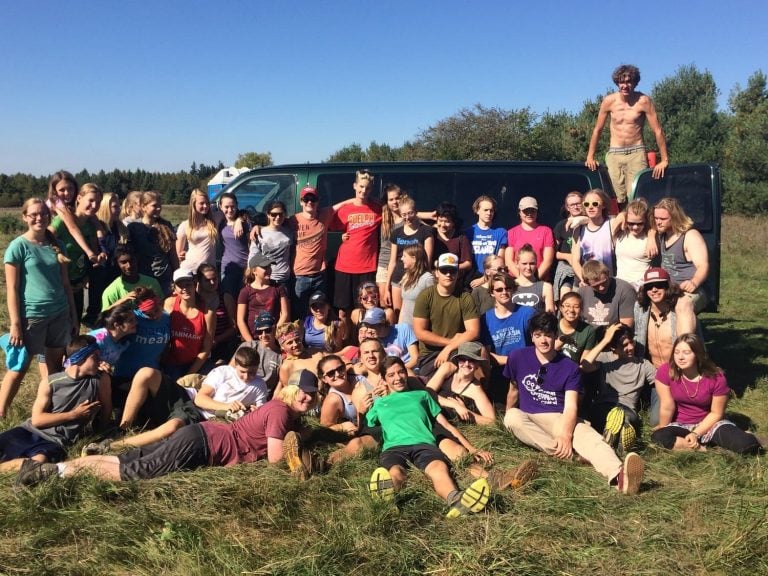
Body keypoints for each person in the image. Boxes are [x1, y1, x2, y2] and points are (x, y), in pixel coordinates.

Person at [17, 382, 317, 486]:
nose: (308, 399)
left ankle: (45, 471)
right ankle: (47, 474)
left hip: (201, 435)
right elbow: (277, 459)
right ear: (291, 390)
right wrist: (303, 448)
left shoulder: (282, 410)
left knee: (123, 463)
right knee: (135, 473)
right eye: (303, 393)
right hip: (204, 445)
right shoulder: (280, 412)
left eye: (312, 395)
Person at [503, 312, 645, 494]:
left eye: (547, 335)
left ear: (555, 335)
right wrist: (506, 416)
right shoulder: (517, 357)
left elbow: (571, 406)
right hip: (529, 415)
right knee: (512, 418)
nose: (543, 341)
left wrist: (565, 435)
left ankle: (620, 476)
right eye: (538, 335)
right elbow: (513, 390)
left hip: (560, 417)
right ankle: (571, 455)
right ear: (531, 337)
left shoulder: (569, 367)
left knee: (591, 439)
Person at [366, 357, 493, 518]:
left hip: (424, 444)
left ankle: (457, 501)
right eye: (391, 375)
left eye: (400, 372)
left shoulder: (422, 395)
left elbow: (447, 425)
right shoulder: (379, 404)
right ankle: (386, 499)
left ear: (406, 373)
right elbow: (366, 426)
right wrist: (362, 408)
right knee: (396, 472)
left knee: (439, 468)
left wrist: (471, 448)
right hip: (394, 448)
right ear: (383, 379)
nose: (397, 378)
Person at [1, 198, 77, 419]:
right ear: (25, 217)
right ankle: (2, 412)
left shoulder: (57, 245)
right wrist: (16, 324)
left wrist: (73, 316)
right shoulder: (18, 247)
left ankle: (48, 409)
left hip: (59, 314)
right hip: (31, 317)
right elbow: (12, 290)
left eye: (43, 213)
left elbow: (66, 284)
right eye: (33, 214)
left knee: (54, 367)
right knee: (19, 367)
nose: (39, 218)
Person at [0, 335, 111, 473]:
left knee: (36, 464)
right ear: (80, 358)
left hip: (56, 441)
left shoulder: (99, 379)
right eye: (95, 357)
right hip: (27, 431)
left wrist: (101, 433)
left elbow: (107, 409)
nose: (100, 361)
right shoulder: (51, 382)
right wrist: (74, 415)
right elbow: (37, 420)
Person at [651, 334, 761, 454]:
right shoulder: (665, 371)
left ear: (698, 355)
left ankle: (736, 437)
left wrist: (695, 433)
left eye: (686, 352)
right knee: (659, 437)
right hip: (681, 424)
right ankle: (704, 449)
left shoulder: (716, 377)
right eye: (676, 352)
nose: (680, 357)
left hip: (710, 424)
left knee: (746, 445)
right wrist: (663, 428)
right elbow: (667, 405)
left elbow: (716, 413)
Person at [586, 63, 669, 205]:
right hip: (615, 153)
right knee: (615, 198)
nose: (625, 85)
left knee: (636, 197)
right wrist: (590, 156)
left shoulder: (644, 101)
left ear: (635, 82)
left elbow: (658, 130)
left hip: (636, 152)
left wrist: (664, 159)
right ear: (617, 83)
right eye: (621, 82)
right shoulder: (609, 101)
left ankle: (637, 225)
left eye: (628, 82)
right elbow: (597, 129)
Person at [580, 323, 655, 454]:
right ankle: (618, 442)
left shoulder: (643, 365)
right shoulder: (605, 359)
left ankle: (614, 440)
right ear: (613, 347)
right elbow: (584, 366)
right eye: (624, 345)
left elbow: (661, 381)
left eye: (631, 342)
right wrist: (605, 340)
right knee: (606, 415)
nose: (631, 348)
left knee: (625, 418)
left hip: (627, 408)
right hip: (605, 405)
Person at [413, 253, 480, 378]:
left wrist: (449, 348)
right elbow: (420, 332)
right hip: (430, 353)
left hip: (458, 350)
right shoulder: (425, 296)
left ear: (458, 273)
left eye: (452, 270)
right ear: (437, 272)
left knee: (479, 357)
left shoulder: (465, 297)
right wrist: (449, 343)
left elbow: (473, 331)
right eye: (444, 270)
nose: (448, 274)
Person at [331, 169, 382, 318]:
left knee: (365, 308)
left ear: (371, 189)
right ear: (354, 186)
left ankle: (362, 339)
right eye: (361, 186)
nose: (363, 190)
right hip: (344, 266)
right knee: (342, 310)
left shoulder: (378, 209)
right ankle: (344, 340)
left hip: (367, 267)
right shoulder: (345, 209)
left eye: (367, 187)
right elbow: (327, 227)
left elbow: (402, 212)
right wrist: (340, 236)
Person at [50, 182, 103, 325]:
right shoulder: (63, 220)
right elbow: (45, 239)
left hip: (78, 284)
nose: (94, 206)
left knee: (75, 327)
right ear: (79, 198)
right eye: (90, 200)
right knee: (59, 332)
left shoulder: (90, 226)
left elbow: (93, 254)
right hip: (58, 284)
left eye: (98, 202)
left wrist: (99, 257)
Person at [286, 186, 336, 319]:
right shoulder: (292, 220)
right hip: (299, 277)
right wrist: (254, 226)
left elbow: (344, 204)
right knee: (299, 314)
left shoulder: (324, 216)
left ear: (318, 201)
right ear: (301, 202)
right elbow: (273, 224)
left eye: (313, 199)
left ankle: (317, 338)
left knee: (320, 314)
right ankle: (300, 339)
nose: (310, 202)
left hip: (319, 275)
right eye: (306, 199)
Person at [653, 197, 710, 313]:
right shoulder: (662, 234)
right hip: (668, 290)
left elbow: (703, 265)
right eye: (656, 218)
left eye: (663, 219)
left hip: (691, 290)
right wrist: (650, 237)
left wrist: (694, 282)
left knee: (682, 306)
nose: (658, 222)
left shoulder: (690, 236)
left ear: (674, 218)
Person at [633, 267, 697, 369]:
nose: (654, 289)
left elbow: (689, 343)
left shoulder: (680, 309)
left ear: (668, 286)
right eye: (649, 286)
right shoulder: (640, 309)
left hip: (678, 370)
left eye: (659, 285)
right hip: (651, 373)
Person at [425, 342, 495, 425]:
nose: (466, 364)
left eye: (471, 360)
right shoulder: (448, 368)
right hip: (428, 411)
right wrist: (455, 405)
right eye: (463, 359)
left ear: (477, 364)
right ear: (458, 360)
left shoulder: (476, 389)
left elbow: (492, 421)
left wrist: (467, 412)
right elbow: (427, 393)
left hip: (446, 422)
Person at [384, 196, 434, 313]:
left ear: (416, 212)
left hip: (417, 278)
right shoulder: (396, 233)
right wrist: (387, 288)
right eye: (404, 214)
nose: (407, 217)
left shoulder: (426, 231)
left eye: (410, 213)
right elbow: (392, 261)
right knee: (397, 313)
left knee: (416, 313)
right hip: (398, 279)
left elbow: (427, 260)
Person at [163, 268, 216, 379]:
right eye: (180, 286)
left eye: (188, 284)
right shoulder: (169, 304)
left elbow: (206, 348)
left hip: (198, 363)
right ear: (174, 288)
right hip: (172, 363)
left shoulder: (208, 312)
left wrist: (188, 375)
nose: (185, 289)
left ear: (195, 284)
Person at [85, 191, 128, 326]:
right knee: (99, 317)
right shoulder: (97, 230)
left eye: (119, 206)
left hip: (116, 279)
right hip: (99, 279)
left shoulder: (120, 229)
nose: (119, 209)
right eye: (115, 206)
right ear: (105, 207)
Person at [127, 191, 179, 295]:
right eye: (154, 206)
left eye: (160, 205)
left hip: (165, 278)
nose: (158, 208)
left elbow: (173, 254)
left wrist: (177, 275)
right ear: (143, 206)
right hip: (144, 278)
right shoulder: (134, 227)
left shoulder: (166, 225)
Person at [236, 253, 290, 342]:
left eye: (269, 267)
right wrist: (251, 343)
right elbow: (240, 320)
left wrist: (274, 335)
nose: (268, 270)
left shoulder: (278, 288)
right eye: (265, 267)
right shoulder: (245, 291)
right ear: (254, 271)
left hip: (273, 338)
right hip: (253, 337)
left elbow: (285, 314)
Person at [197, 263, 238, 367]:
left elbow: (233, 327)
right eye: (207, 280)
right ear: (199, 281)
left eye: (215, 279)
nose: (212, 282)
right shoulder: (195, 300)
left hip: (220, 345)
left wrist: (216, 340)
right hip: (196, 344)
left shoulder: (225, 298)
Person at [571, 189, 616, 284]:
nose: (590, 207)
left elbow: (626, 215)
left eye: (595, 204)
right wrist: (585, 280)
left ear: (603, 205)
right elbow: (575, 260)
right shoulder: (578, 229)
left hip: (609, 281)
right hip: (588, 283)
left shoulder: (612, 224)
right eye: (586, 204)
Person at [231, 311, 282, 394]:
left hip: (262, 395)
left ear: (274, 328)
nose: (264, 335)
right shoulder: (248, 345)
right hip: (239, 390)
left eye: (267, 330)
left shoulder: (280, 356)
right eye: (259, 332)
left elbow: (280, 384)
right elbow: (231, 369)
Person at [505, 196, 555, 281]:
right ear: (519, 213)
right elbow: (509, 261)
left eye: (532, 211)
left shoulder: (546, 231)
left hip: (540, 281)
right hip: (516, 282)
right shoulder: (511, 232)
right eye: (525, 211)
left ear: (537, 212)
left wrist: (534, 280)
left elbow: (548, 260)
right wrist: (521, 280)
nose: (529, 214)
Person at [100, 245, 163, 311]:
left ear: (137, 259)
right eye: (123, 262)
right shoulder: (110, 292)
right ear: (117, 264)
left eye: (131, 260)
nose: (129, 266)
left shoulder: (152, 283)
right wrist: (121, 302)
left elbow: (162, 308)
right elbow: (104, 318)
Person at [578, 260, 635, 329]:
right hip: (589, 336)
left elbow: (626, 327)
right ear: (587, 283)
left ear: (608, 274)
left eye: (604, 282)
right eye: (596, 286)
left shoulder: (625, 290)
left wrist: (607, 338)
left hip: (615, 336)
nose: (601, 288)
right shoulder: (583, 291)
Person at [249, 200, 293, 289]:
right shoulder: (259, 233)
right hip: (266, 279)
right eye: (274, 214)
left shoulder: (289, 232)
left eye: (281, 214)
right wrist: (251, 277)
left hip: (285, 280)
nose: (277, 217)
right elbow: (252, 256)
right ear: (268, 215)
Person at [176, 188, 219, 273]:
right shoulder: (185, 225)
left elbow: (232, 214)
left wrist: (240, 219)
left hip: (209, 271)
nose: (205, 206)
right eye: (202, 203)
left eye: (207, 203)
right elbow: (178, 253)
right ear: (193, 204)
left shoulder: (215, 219)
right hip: (191, 269)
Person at [432, 202, 473, 288]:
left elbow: (468, 264)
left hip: (455, 282)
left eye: (447, 222)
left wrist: (451, 267)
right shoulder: (431, 234)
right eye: (440, 220)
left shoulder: (461, 238)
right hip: (434, 281)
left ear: (453, 222)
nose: (443, 225)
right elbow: (412, 215)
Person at [466, 195, 508, 279]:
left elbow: (500, 260)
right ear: (477, 210)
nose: (489, 213)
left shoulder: (501, 232)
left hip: (493, 278)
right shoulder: (468, 232)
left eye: (491, 210)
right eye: (485, 210)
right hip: (471, 278)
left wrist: (484, 279)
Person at [217, 192, 250, 299]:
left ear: (237, 206)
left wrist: (240, 220)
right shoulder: (219, 222)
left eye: (233, 206)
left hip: (244, 267)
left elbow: (253, 244)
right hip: (228, 267)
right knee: (228, 297)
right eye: (226, 207)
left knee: (243, 298)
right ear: (220, 206)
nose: (230, 210)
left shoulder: (245, 223)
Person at [552, 191, 584, 300]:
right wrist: (567, 256)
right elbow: (553, 253)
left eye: (578, 203)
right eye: (572, 205)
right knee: (565, 297)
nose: (575, 207)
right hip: (566, 268)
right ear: (567, 207)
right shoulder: (561, 226)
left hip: (585, 268)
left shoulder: (589, 224)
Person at [614, 198, 653, 287]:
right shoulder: (620, 232)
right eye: (631, 223)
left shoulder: (650, 237)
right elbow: (596, 221)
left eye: (640, 223)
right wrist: (621, 214)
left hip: (642, 285)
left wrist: (652, 236)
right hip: (621, 284)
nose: (635, 227)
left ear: (645, 221)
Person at [87, 302, 137, 370]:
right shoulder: (98, 339)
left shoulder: (124, 342)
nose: (136, 323)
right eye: (131, 320)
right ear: (116, 325)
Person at [376, 185, 404, 304]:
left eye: (397, 198)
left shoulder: (408, 218)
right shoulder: (383, 217)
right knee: (384, 303)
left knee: (399, 305)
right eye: (391, 199)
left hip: (400, 266)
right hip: (384, 265)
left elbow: (417, 215)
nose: (394, 202)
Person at [512, 244, 556, 313]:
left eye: (532, 263)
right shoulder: (509, 286)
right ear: (517, 264)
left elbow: (550, 318)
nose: (528, 267)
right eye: (524, 263)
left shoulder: (546, 287)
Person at [397, 245, 434, 326]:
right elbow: (404, 305)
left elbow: (434, 307)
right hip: (406, 328)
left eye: (404, 256)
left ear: (414, 259)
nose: (401, 258)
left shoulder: (427, 279)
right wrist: (400, 327)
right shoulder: (406, 277)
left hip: (420, 330)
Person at [555, 292, 596, 364]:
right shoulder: (552, 325)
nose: (571, 310)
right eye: (567, 306)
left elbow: (584, 363)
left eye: (576, 307)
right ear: (561, 308)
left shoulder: (589, 331)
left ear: (581, 310)